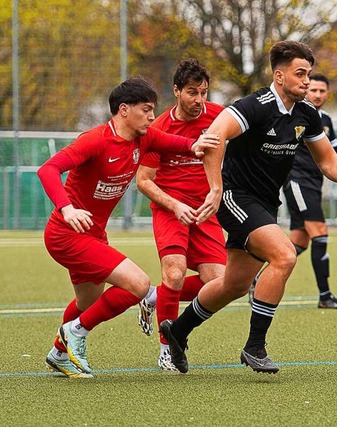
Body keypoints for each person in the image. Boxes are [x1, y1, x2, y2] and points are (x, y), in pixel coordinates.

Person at [159, 40, 337, 375]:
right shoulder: (255, 105)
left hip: (264, 203)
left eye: (308, 74)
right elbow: (214, 136)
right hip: (236, 197)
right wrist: (216, 188)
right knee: (285, 255)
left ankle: (177, 331)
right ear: (279, 76)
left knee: (233, 284)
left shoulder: (306, 114)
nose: (307, 81)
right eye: (300, 74)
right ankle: (255, 346)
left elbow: (325, 158)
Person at [37, 76, 219, 378]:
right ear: (124, 110)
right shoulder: (95, 140)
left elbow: (179, 144)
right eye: (146, 110)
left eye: (153, 110)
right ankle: (76, 333)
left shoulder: (143, 139)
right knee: (136, 284)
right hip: (66, 235)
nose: (151, 117)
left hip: (93, 235)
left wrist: (196, 144)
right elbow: (48, 169)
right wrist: (66, 208)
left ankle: (58, 353)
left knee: (88, 302)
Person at [135, 59, 227, 371]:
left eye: (204, 92)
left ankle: (156, 297)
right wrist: (175, 205)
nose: (200, 100)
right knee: (174, 272)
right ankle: (166, 350)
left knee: (219, 283)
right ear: (176, 91)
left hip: (205, 211)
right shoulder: (158, 128)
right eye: (192, 93)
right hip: (170, 210)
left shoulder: (218, 117)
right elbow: (143, 180)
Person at [282, 73, 337, 308]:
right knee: (320, 232)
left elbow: (334, 151)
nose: (318, 95)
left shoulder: (326, 119)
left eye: (322, 91)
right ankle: (325, 296)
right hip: (296, 182)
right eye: (314, 90)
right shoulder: (294, 115)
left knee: (299, 242)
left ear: (327, 93)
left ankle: (254, 280)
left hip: (314, 183)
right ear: (306, 91)